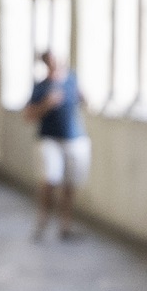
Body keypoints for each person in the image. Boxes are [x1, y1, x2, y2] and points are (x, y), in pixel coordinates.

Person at [24, 50, 89, 241]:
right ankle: (43, 220)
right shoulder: (41, 87)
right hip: (49, 139)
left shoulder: (72, 81)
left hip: (74, 138)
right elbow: (28, 116)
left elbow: (86, 101)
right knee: (49, 180)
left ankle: (65, 225)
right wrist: (46, 104)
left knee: (70, 185)